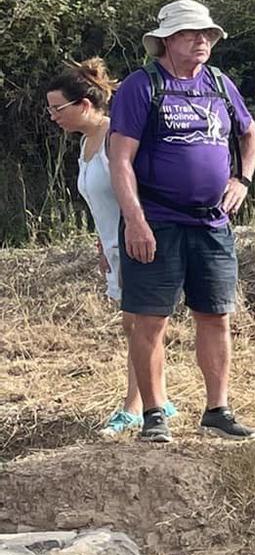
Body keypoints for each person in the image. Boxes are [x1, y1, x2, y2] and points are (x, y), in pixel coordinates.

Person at [106, 0, 255, 444]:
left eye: (207, 34)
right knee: (150, 319)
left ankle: (217, 409)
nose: (202, 40)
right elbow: (120, 158)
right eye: (191, 34)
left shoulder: (219, 83)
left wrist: (242, 179)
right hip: (156, 220)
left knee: (215, 315)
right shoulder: (141, 86)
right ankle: (154, 413)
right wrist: (135, 221)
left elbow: (250, 132)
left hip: (212, 222)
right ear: (167, 40)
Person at [44, 59, 168, 435]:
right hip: (114, 249)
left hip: (137, 243)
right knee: (135, 327)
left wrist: (139, 233)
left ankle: (135, 408)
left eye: (57, 108)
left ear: (84, 104)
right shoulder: (86, 142)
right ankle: (159, 398)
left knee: (138, 325)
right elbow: (102, 201)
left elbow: (139, 191)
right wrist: (102, 243)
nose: (53, 117)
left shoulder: (117, 138)